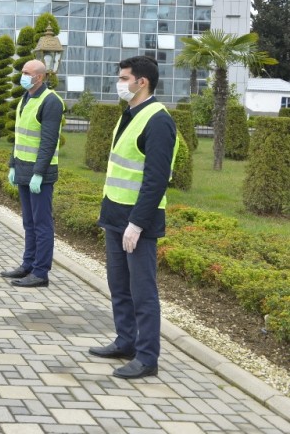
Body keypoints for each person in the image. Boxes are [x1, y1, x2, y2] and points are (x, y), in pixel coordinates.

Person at [89, 55, 177, 380]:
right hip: (115, 215)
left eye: (124, 78)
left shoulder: (158, 120)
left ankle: (147, 357)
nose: (120, 83)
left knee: (143, 292)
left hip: (136, 223)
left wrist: (137, 224)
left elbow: (156, 179)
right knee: (119, 286)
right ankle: (125, 341)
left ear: (142, 82)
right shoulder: (129, 114)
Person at [1, 60, 64, 287]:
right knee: (28, 222)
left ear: (39, 77)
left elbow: (48, 142)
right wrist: (12, 164)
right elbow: (20, 137)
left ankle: (40, 272)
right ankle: (28, 264)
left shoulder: (51, 102)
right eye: (22, 72)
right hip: (23, 169)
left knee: (42, 224)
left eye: (27, 73)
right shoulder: (25, 99)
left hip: (40, 176)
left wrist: (39, 173)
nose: (22, 75)